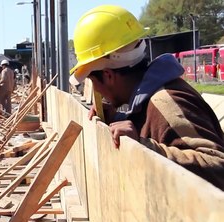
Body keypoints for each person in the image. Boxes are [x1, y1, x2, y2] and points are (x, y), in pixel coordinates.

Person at [69, 5, 224, 190]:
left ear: (108, 75)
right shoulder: (149, 100)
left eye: (93, 82)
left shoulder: (165, 102)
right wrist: (119, 119)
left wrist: (145, 147)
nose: (97, 92)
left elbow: (218, 167)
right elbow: (158, 130)